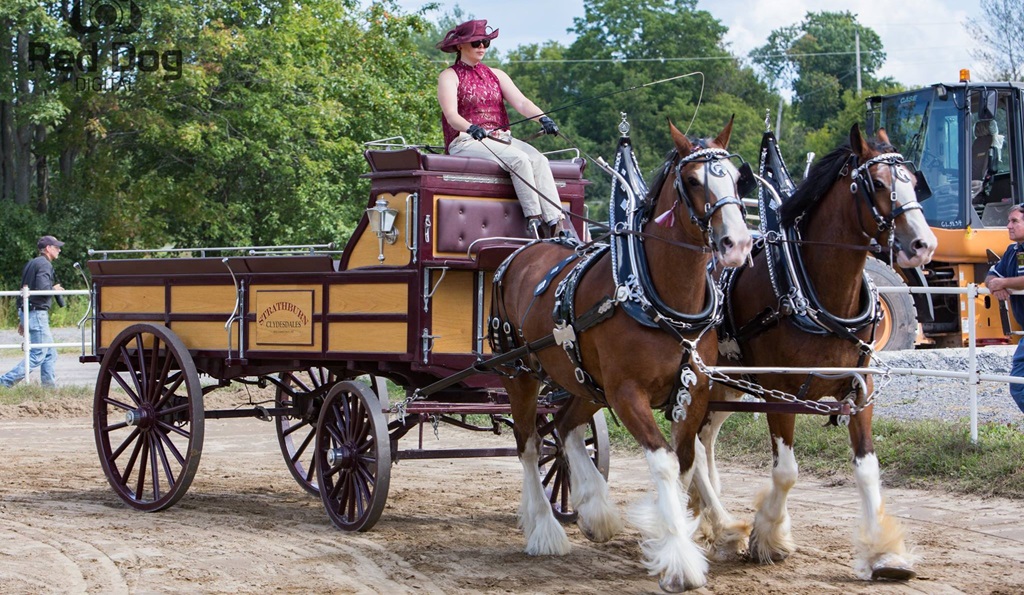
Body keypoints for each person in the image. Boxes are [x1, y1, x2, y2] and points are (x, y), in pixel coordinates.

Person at [436, 19, 566, 239]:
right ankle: (534, 222)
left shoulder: (497, 75)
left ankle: (556, 223)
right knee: (519, 160)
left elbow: (523, 103)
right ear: (460, 46)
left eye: (486, 42)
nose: (482, 48)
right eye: (477, 42)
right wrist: (471, 128)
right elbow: (451, 116)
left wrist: (543, 119)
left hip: (500, 139)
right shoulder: (449, 76)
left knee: (540, 160)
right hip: (466, 141)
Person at [0, 235, 65, 388]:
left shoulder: (32, 263)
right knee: (37, 354)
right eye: (56, 247)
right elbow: (42, 290)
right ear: (48, 248)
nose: (59, 250)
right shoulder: (44, 265)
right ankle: (3, 383)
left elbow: (23, 291)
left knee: (50, 353)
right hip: (37, 313)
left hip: (29, 311)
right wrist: (54, 289)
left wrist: (23, 317)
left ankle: (49, 389)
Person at [985, 205, 1024, 414]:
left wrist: (1005, 282)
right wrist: (995, 285)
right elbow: (991, 275)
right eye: (1008, 221)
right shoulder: (1013, 251)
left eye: (1015, 221)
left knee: (1019, 385)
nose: (1008, 226)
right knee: (1018, 385)